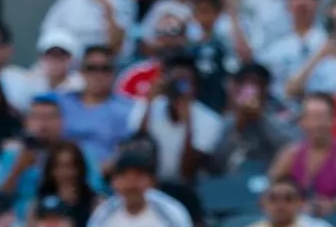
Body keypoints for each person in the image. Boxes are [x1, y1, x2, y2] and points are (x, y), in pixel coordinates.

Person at [84, 150, 196, 227]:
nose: (131, 184)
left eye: (138, 177)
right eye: (124, 177)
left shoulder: (170, 211)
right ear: (114, 183)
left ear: (151, 181)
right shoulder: (103, 214)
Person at [130, 52, 223, 184]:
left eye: (185, 82)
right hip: (150, 184)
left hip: (187, 188)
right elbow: (137, 150)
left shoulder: (210, 120)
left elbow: (188, 172)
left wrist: (187, 125)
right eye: (175, 82)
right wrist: (149, 103)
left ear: (196, 85)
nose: (179, 89)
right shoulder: (146, 107)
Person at [270, 92, 336, 214]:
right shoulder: (289, 155)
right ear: (302, 122)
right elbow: (271, 196)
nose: (317, 124)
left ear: (334, 120)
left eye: (322, 117)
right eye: (311, 118)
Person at [38, 0, 137, 59]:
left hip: (108, 66)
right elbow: (48, 37)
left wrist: (108, 9)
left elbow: (118, 45)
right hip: (74, 67)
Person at [59, 44, 134, 171]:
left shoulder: (126, 110)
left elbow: (125, 151)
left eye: (105, 69)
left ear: (114, 73)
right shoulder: (62, 103)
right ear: (82, 72)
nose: (98, 74)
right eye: (91, 68)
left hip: (104, 177)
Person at [211, 62, 294, 174]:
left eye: (256, 83)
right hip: (234, 179)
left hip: (269, 175)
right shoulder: (229, 119)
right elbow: (217, 161)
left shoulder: (281, 111)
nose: (249, 89)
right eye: (243, 83)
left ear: (266, 87)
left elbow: (288, 147)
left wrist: (260, 117)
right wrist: (239, 123)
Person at [284, 0, 336, 101]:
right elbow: (291, 91)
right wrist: (319, 56)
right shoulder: (314, 48)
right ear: (329, 24)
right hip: (324, 108)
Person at [260, 0, 326, 104]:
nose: (302, 4)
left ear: (316, 2)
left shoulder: (328, 41)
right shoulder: (274, 47)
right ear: (288, 3)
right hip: (283, 112)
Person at [35, 141, 100, 227]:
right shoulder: (38, 203)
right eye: (59, 167)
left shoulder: (95, 203)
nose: (65, 173)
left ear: (79, 169)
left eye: (70, 167)